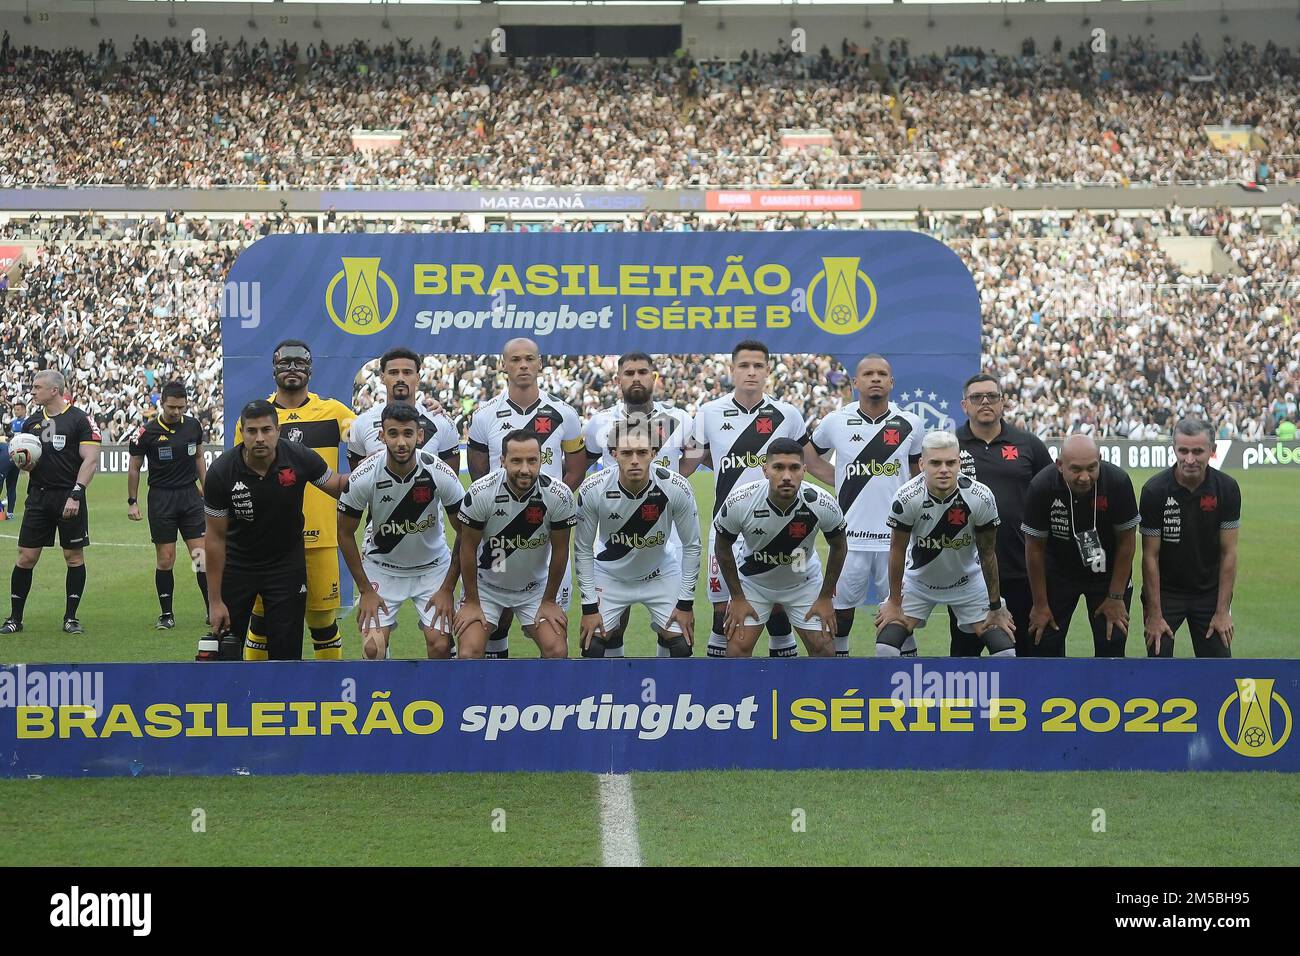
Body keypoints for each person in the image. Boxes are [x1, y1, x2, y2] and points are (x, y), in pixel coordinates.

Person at [681, 339, 818, 658]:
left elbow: (802, 466)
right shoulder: (709, 413)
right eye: (744, 365)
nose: (751, 372)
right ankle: (723, 698)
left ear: (768, 371)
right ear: (732, 370)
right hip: (726, 530)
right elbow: (690, 462)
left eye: (758, 366)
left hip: (778, 531)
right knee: (722, 616)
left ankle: (783, 694)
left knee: (780, 613)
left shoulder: (788, 415)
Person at [233, 339, 356, 660]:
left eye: (299, 363)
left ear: (310, 369)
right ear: (274, 368)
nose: (292, 370)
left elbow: (373, 434)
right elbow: (237, 474)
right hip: (268, 541)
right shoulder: (258, 417)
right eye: (285, 363)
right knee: (260, 622)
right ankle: (256, 692)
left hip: (322, 537)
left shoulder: (333, 412)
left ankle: (327, 695)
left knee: (322, 621)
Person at [201, 400, 349, 661]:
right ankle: (233, 701)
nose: (260, 438)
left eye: (266, 430)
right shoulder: (221, 472)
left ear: (278, 430)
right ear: (242, 432)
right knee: (225, 650)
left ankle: (282, 699)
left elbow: (337, 485)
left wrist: (375, 467)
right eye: (252, 431)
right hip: (238, 565)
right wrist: (214, 601)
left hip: (286, 566)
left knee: (286, 654)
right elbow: (214, 538)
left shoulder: (299, 457)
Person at [465, 338, 584, 657]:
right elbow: (477, 473)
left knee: (553, 628)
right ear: (503, 365)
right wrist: (502, 512)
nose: (523, 365)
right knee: (496, 621)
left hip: (545, 532)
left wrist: (547, 507)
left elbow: (576, 469)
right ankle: (492, 700)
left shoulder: (564, 414)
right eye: (515, 359)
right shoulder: (484, 415)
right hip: (498, 532)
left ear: (540, 363)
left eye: (529, 359)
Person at [804, 354, 923, 656]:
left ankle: (902, 684)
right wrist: (840, 479)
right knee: (841, 615)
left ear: (891, 383)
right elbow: (808, 456)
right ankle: (841, 678)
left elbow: (918, 473)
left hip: (895, 541)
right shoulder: (836, 421)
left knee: (899, 616)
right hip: (849, 541)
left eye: (882, 374)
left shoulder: (911, 423)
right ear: (856, 383)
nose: (875, 378)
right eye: (868, 374)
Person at [581, 351, 694, 653]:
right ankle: (614, 694)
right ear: (618, 380)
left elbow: (694, 454)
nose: (636, 378)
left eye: (643, 372)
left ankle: (667, 695)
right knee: (612, 628)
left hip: (664, 532)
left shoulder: (679, 418)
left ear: (654, 377)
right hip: (616, 529)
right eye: (629, 373)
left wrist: (672, 482)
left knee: (670, 628)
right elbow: (584, 464)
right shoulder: (599, 423)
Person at [337, 403, 466, 660]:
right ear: (381, 436)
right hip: (382, 569)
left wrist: (447, 588)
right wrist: (365, 590)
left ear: (420, 435)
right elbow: (344, 532)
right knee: (372, 649)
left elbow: (466, 532)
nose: (401, 442)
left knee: (440, 646)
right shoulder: (364, 475)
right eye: (393, 434)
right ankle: (382, 699)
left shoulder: (438, 471)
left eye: (408, 434)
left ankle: (439, 699)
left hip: (432, 570)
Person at [875, 430, 1015, 658]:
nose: (944, 469)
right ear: (921, 464)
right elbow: (897, 549)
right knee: (885, 649)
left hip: (968, 584)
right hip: (919, 584)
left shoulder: (981, 497)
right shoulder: (906, 497)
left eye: (951, 462)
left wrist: (995, 606)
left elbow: (988, 553)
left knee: (1006, 654)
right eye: (935, 463)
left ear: (959, 463)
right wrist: (893, 601)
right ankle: (902, 693)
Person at [713, 437, 846, 657]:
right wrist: (737, 598)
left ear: (804, 470)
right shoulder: (740, 501)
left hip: (803, 584)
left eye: (794, 468)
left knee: (824, 650)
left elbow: (839, 546)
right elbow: (722, 548)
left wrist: (824, 597)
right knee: (736, 650)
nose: (786, 476)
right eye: (778, 468)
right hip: (753, 584)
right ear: (765, 470)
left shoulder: (821, 502)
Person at [951, 373, 1054, 656]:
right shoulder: (949, 447)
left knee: (1024, 655)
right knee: (964, 656)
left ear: (1003, 403)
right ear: (964, 405)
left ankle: (1022, 702)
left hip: (1021, 568)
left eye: (992, 396)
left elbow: (1052, 494)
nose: (985, 402)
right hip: (966, 571)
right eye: (976, 397)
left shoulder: (1028, 444)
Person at [454, 430, 575, 659]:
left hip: (534, 590)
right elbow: (467, 549)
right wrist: (471, 601)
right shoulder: (481, 493)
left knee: (557, 651)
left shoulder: (559, 495)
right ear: (502, 461)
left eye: (532, 460)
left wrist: (549, 600)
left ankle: (542, 696)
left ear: (542, 460)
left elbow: (560, 551)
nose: (525, 469)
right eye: (516, 461)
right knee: (469, 653)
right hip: (486, 588)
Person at [1022, 435, 1140, 657]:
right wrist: (1039, 605)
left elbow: (1127, 542)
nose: (1085, 477)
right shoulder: (1041, 486)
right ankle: (1053, 690)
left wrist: (1115, 597)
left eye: (1092, 468)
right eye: (1075, 469)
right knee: (1043, 639)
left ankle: (1107, 690)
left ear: (1100, 460)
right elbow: (1034, 549)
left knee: (1112, 638)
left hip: (1107, 572)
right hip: (1058, 572)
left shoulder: (1117, 482)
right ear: (1060, 465)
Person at [2, 372, 100, 634]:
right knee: (25, 557)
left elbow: (90, 459)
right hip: (38, 497)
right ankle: (15, 618)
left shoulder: (80, 419)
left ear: (54, 390)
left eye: (37, 387)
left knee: (73, 557)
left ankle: (70, 617)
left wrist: (76, 494)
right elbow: (30, 464)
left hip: (69, 497)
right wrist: (24, 462)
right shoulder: (31, 423)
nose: (32, 392)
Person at [1139, 418, 1241, 658]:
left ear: (1212, 451)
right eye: (1183, 451)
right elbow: (1149, 557)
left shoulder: (1227, 488)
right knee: (1158, 662)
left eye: (1198, 451)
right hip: (1165, 593)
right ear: (1173, 449)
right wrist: (1154, 615)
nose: (1190, 459)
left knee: (1219, 670)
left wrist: (1223, 611)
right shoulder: (1154, 491)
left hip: (1209, 592)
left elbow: (1229, 553)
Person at [126, 380, 209, 629]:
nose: (176, 412)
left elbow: (199, 457)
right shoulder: (146, 433)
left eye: (181, 407)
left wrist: (207, 487)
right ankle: (166, 614)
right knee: (166, 558)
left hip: (190, 497)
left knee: (201, 557)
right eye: (172, 407)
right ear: (161, 403)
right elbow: (134, 467)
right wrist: (132, 501)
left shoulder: (193, 426)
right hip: (161, 498)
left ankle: (211, 608)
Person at [347, 347, 460, 473]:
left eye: (407, 372)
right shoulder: (361, 424)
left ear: (417, 377)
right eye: (393, 372)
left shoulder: (441, 422)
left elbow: (452, 481)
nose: (400, 378)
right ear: (382, 377)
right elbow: (356, 483)